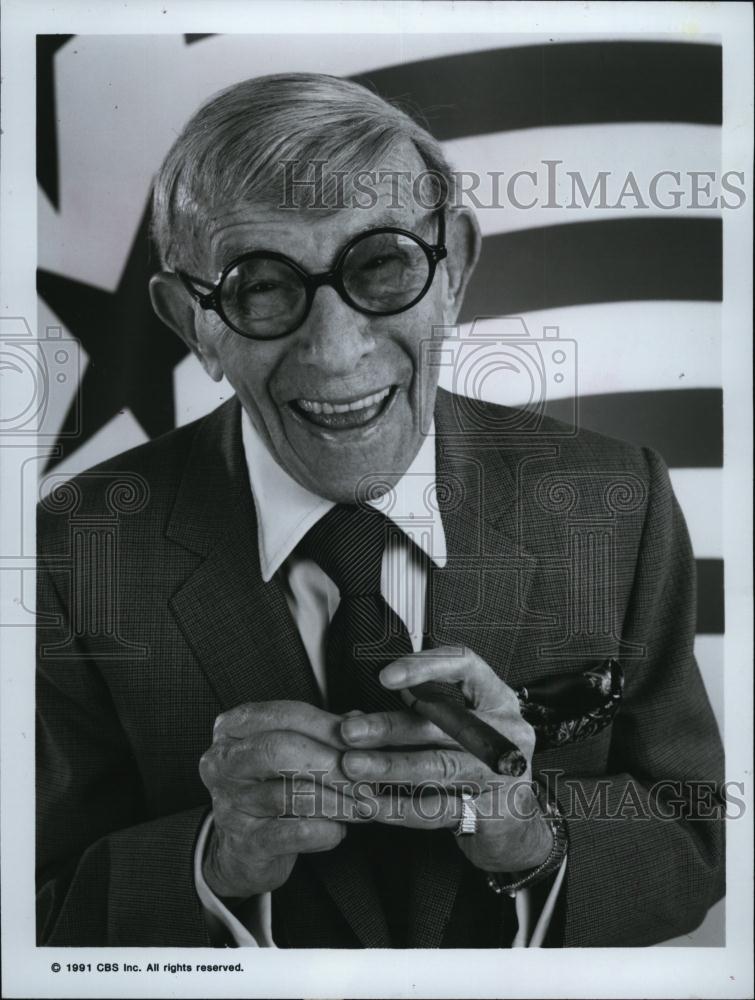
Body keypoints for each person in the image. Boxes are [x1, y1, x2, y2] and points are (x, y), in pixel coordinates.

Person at [36, 73, 724, 948]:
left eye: (381, 264)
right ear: (192, 323)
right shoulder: (72, 549)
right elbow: (32, 912)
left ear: (455, 270)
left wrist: (528, 829)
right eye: (261, 288)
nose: (336, 353)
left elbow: (698, 837)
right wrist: (214, 862)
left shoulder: (613, 499)